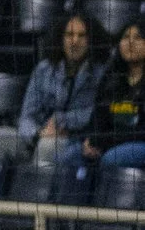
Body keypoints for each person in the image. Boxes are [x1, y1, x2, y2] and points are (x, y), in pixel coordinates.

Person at [15, 14, 106, 167]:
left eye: (81, 36)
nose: (74, 41)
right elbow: (26, 117)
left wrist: (61, 121)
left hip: (75, 139)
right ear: (61, 39)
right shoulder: (43, 69)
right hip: (38, 135)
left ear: (91, 40)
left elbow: (97, 113)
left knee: (49, 146)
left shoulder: (101, 73)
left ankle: (38, 191)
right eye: (69, 34)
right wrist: (37, 135)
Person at [65, 22, 145, 184]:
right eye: (125, 37)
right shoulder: (111, 77)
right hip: (109, 141)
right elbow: (97, 117)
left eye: (138, 38)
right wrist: (90, 140)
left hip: (138, 142)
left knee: (112, 158)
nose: (130, 42)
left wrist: (104, 142)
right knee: (70, 155)